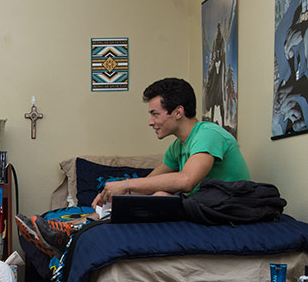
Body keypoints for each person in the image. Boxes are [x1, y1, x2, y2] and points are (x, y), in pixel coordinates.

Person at [92, 77, 250, 208]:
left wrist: (126, 184)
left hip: (231, 209)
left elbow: (186, 181)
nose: (150, 122)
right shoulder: (178, 146)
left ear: (178, 112)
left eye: (155, 114)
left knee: (162, 196)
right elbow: (148, 185)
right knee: (159, 196)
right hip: (206, 206)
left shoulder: (208, 134)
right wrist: (109, 196)